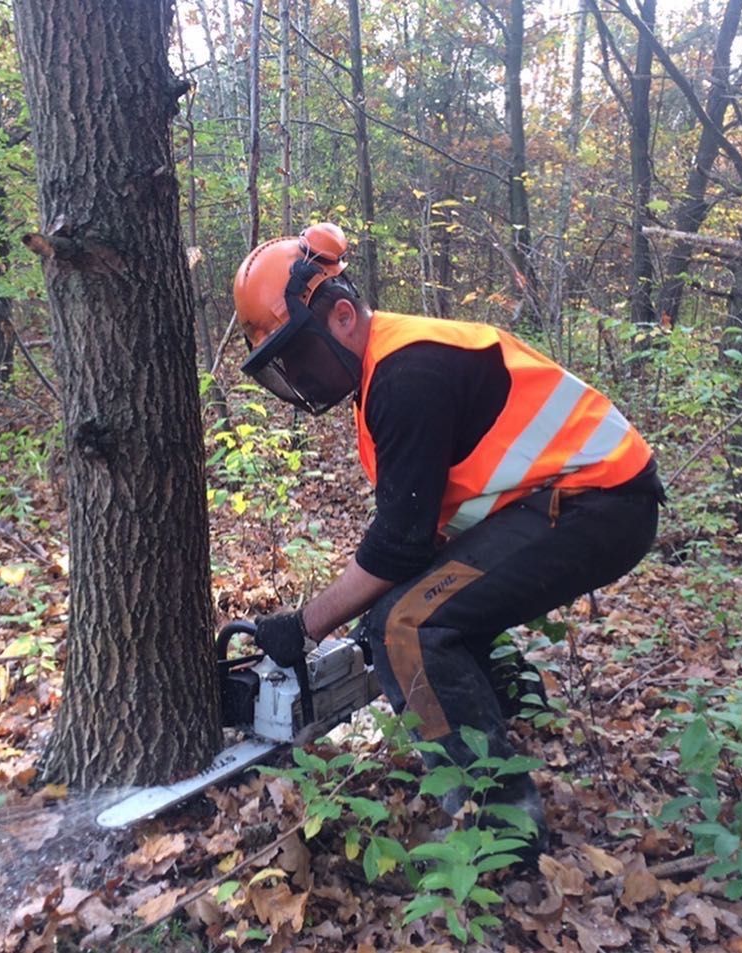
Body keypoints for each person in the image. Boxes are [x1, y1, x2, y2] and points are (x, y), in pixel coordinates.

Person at [232, 222, 664, 856]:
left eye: (297, 354)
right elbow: (421, 531)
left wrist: (306, 624)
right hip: (569, 500)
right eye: (281, 366)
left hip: (598, 501)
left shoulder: (409, 374)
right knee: (410, 610)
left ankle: (500, 825)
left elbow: (397, 547)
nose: (296, 376)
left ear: (342, 316)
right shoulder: (384, 370)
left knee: (406, 627)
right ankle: (508, 711)